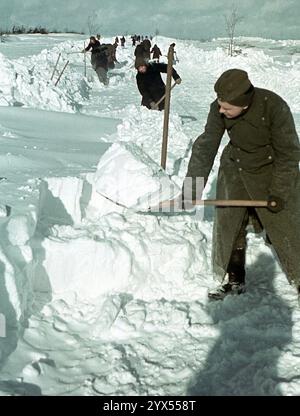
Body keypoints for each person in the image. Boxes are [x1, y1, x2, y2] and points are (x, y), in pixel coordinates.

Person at [182, 68, 300, 300]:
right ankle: (234, 279)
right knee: (229, 220)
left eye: (227, 108)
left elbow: (289, 154)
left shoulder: (274, 107)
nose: (220, 110)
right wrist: (192, 188)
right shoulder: (220, 107)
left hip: (271, 167)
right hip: (235, 165)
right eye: (219, 104)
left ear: (244, 104)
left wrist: (279, 192)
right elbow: (206, 145)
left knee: (287, 223)